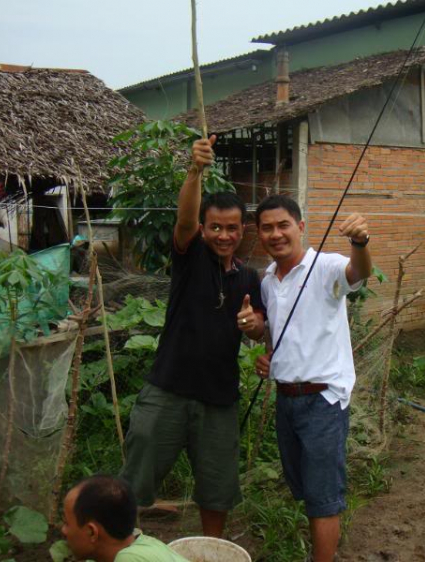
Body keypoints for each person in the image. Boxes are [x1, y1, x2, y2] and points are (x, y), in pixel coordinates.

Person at [120, 136, 265, 537]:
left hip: (219, 400)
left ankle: (210, 549)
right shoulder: (190, 257)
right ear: (203, 229)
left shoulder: (251, 278)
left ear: (243, 230)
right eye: (215, 227)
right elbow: (183, 220)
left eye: (231, 228)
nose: (223, 235)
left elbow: (261, 328)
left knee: (217, 490)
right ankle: (123, 545)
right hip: (167, 390)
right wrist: (194, 170)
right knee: (136, 478)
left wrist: (254, 327)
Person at [254, 195, 371, 562]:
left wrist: (360, 243)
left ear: (301, 227)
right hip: (286, 399)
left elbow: (359, 272)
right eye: (267, 228)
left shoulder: (327, 266)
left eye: (283, 225)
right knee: (305, 487)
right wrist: (268, 357)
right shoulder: (268, 281)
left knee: (323, 497)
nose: (276, 234)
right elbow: (281, 335)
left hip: (322, 401)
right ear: (259, 234)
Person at [61, 475, 190, 562]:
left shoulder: (129, 559)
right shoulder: (142, 542)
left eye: (67, 523)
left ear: (92, 532)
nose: (63, 531)